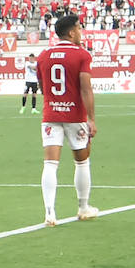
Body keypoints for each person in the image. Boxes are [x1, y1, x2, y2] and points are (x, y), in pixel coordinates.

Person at [38, 14, 99, 226]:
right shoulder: (82, 55)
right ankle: (83, 207)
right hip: (75, 116)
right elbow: (85, 88)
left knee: (50, 163)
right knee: (82, 162)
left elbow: (42, 85)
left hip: (51, 115)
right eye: (79, 29)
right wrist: (91, 118)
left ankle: (49, 213)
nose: (81, 33)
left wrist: (54, 102)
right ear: (71, 32)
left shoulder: (44, 55)